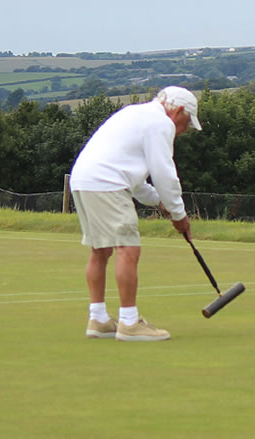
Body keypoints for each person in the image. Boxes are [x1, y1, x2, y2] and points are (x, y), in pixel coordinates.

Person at [70, 86, 201, 342]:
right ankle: (129, 323)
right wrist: (179, 214)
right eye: (186, 123)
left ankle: (98, 319)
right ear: (178, 110)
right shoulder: (160, 123)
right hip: (108, 183)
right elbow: (164, 173)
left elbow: (136, 178)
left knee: (100, 250)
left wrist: (159, 202)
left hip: (83, 180)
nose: (183, 130)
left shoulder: (135, 114)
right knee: (128, 248)